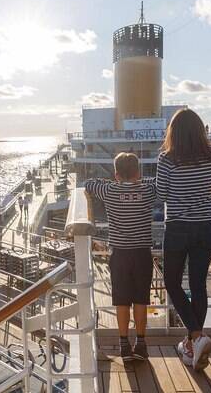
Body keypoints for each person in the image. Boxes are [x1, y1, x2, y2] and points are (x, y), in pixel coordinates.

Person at [156, 108, 211, 370]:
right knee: (198, 286)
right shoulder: (210, 155)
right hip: (205, 227)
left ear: (174, 132)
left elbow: (161, 193)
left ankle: (196, 337)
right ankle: (193, 346)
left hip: (179, 228)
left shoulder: (167, 159)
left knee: (171, 283)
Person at [85, 153, 156, 361]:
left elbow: (89, 183)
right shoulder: (147, 189)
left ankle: (124, 345)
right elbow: (158, 183)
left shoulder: (109, 190)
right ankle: (141, 344)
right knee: (141, 299)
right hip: (142, 253)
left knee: (122, 301)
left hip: (120, 254)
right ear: (138, 172)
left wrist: (111, 182)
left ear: (116, 175)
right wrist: (142, 181)